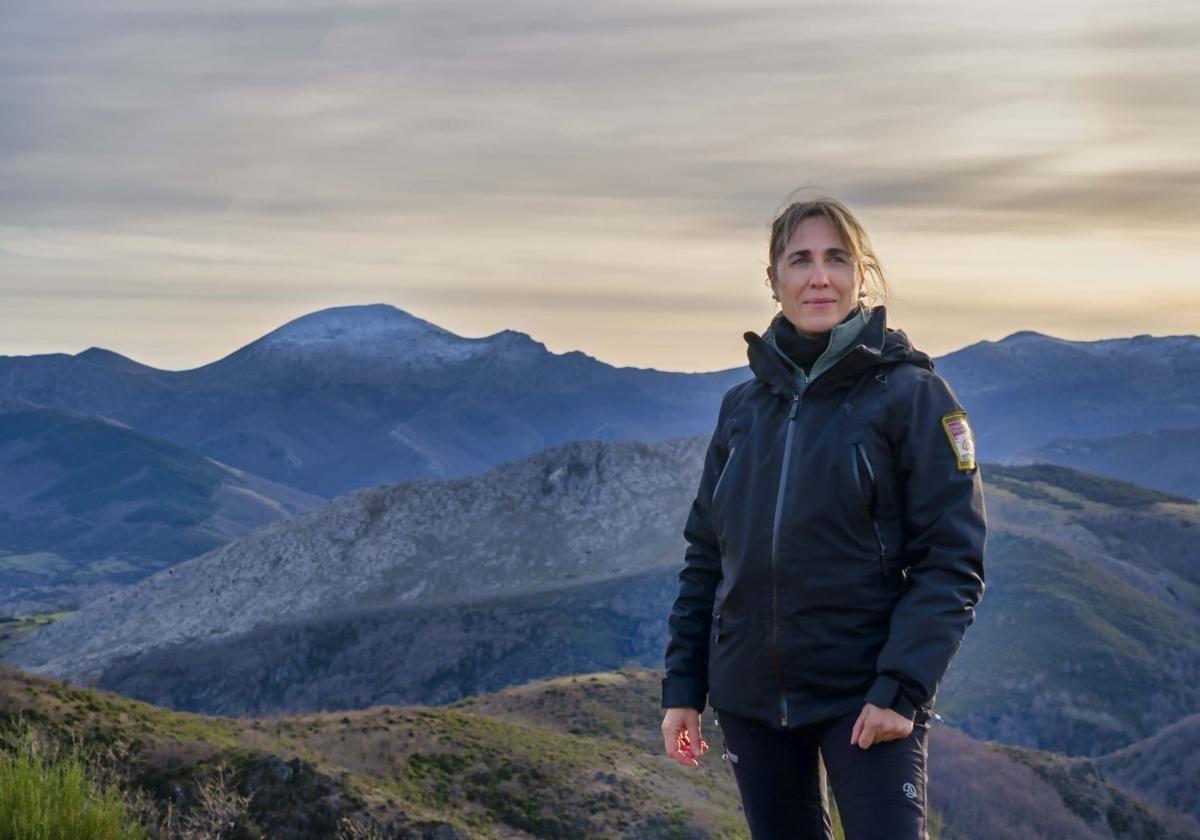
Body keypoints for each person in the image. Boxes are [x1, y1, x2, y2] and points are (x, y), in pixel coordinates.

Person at [659, 195, 987, 840]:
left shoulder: (914, 396)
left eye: (837, 259)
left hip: (865, 698)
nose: (820, 277)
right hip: (749, 700)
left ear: (860, 274)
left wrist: (901, 689)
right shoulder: (742, 407)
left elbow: (952, 561)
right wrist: (683, 689)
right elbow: (706, 558)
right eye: (800, 259)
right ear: (774, 279)